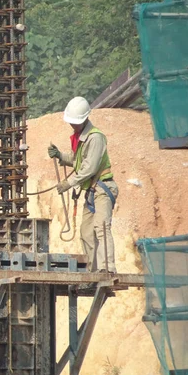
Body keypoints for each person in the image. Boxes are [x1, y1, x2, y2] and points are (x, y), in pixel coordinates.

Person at [47, 96, 118, 273]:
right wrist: (60, 156)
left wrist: (68, 183)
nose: (72, 125)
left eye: (75, 122)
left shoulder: (95, 138)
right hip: (91, 191)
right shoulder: (82, 137)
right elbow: (77, 159)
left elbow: (89, 167)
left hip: (102, 188)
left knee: (101, 228)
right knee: (86, 233)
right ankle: (93, 271)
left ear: (85, 118)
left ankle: (107, 269)